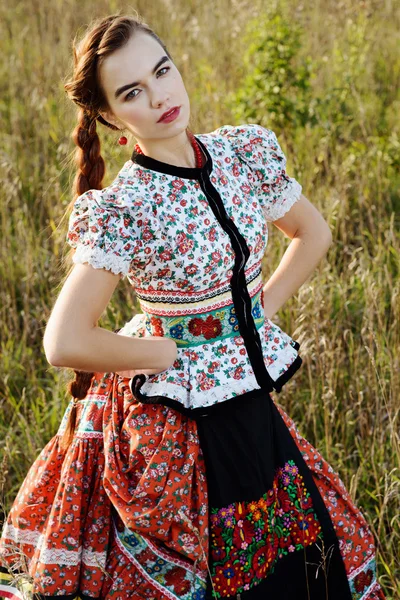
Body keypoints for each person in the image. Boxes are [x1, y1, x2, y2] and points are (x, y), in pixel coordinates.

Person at [0, 12, 386, 600]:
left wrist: (260, 312)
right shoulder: (129, 204)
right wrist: (165, 349)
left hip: (247, 392)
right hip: (178, 417)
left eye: (162, 71)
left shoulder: (240, 153)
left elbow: (314, 233)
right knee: (215, 566)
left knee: (301, 551)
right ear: (110, 117)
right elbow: (64, 340)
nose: (160, 97)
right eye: (133, 92)